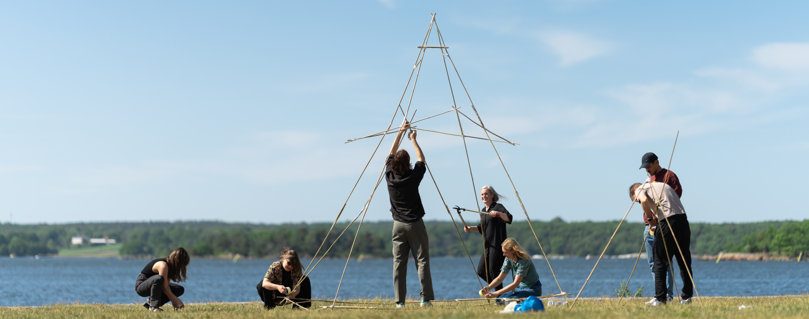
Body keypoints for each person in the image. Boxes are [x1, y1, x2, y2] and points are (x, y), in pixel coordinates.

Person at [385, 120, 434, 308]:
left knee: (398, 263)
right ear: (407, 164)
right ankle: (425, 300)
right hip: (415, 223)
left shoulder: (389, 176)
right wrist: (413, 140)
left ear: (394, 164)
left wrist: (400, 131)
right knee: (422, 261)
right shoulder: (413, 177)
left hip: (397, 225)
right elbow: (421, 160)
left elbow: (391, 152)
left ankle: (400, 302)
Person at [630, 181, 694, 306]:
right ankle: (687, 297)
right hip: (683, 220)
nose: (638, 203)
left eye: (635, 201)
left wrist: (650, 220)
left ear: (635, 192)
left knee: (659, 261)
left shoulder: (640, 189)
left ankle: (660, 298)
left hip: (667, 222)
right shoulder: (661, 185)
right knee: (684, 261)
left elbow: (643, 200)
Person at [639, 152, 681, 303]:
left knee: (664, 262)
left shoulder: (670, 176)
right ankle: (659, 294)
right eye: (645, 168)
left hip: (664, 224)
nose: (647, 170)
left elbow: (675, 197)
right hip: (648, 226)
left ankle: (667, 296)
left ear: (656, 162)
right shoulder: (649, 179)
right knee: (653, 263)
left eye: (649, 167)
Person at [464, 185, 513, 291]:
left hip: (498, 246)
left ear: (492, 195)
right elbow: (482, 228)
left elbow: (509, 218)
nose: (484, 196)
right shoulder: (483, 210)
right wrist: (470, 228)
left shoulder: (498, 207)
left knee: (493, 271)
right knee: (481, 271)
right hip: (487, 246)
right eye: (482, 194)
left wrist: (498, 214)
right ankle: (499, 291)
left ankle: (499, 296)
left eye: (486, 194)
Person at [135, 247, 189, 312]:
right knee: (159, 278)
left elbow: (166, 285)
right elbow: (164, 287)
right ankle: (153, 307)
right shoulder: (163, 265)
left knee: (179, 289)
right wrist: (175, 300)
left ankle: (150, 304)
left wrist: (173, 300)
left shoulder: (170, 266)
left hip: (155, 284)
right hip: (141, 286)